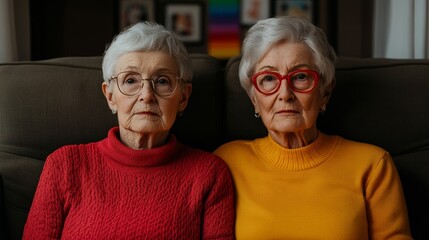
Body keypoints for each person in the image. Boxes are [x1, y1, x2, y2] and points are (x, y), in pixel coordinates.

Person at [23, 22, 235, 239]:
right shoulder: (64, 165)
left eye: (162, 81)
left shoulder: (210, 174)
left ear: (183, 97)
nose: (146, 95)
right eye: (131, 80)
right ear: (110, 96)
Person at [214, 16, 412, 239]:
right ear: (254, 98)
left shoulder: (372, 165)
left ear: (325, 91)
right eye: (268, 78)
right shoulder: (226, 162)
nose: (285, 94)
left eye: (300, 77)